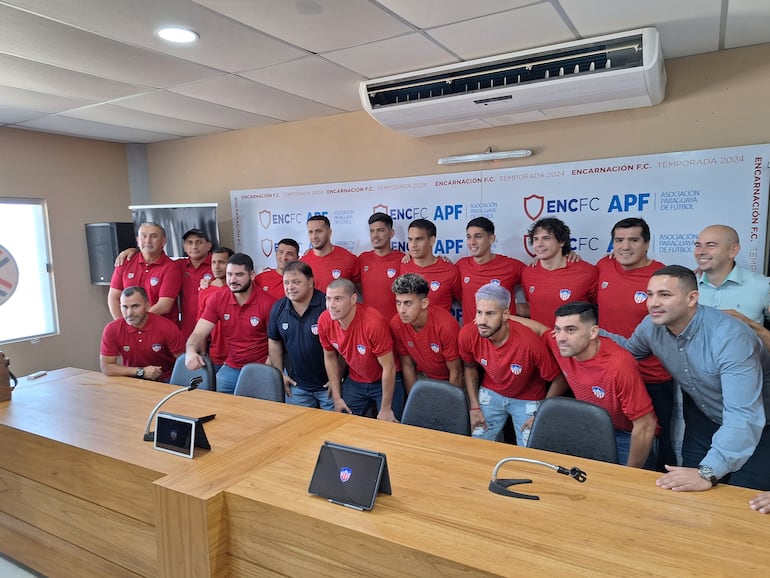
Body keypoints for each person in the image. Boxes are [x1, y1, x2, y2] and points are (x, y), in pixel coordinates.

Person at [605, 265, 770, 491]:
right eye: (650, 294)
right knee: (690, 496)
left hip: (759, 427)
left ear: (692, 298)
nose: (653, 303)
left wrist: (708, 472)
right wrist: (588, 333)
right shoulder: (650, 326)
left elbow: (743, 415)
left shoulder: (730, 338)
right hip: (704, 419)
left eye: (665, 295)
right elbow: (627, 351)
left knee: (743, 503)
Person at [595, 217, 675, 470]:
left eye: (633, 240)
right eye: (619, 240)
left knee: (656, 439)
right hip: (607, 371)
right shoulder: (603, 266)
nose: (625, 246)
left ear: (647, 243)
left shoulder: (663, 276)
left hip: (651, 375)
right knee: (606, 434)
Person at [543, 302, 658, 468]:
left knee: (622, 489)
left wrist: (630, 474)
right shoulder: (560, 343)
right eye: (558, 329)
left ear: (593, 332)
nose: (561, 338)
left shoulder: (619, 364)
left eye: (570, 330)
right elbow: (540, 331)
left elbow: (645, 425)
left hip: (627, 435)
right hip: (590, 428)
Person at [459, 283, 564, 445]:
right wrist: (474, 407)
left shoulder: (529, 342)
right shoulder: (468, 334)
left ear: (505, 314)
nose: (482, 320)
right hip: (491, 393)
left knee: (529, 452)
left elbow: (559, 378)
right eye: (479, 312)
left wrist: (540, 413)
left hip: (528, 398)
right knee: (476, 444)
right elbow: (469, 367)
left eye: (490, 314)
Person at [186, 253, 276, 394]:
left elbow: (276, 343)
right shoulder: (217, 299)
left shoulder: (268, 303)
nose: (233, 280)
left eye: (239, 275)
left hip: (261, 367)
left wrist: (265, 370)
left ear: (252, 275)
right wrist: (190, 351)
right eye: (229, 274)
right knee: (219, 408)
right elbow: (199, 333)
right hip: (231, 367)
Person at [317, 278, 403, 421]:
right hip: (356, 379)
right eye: (328, 299)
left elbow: (389, 367)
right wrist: (337, 397)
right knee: (340, 421)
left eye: (338, 299)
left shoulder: (373, 323)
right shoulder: (324, 320)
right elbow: (330, 357)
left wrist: (386, 408)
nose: (331, 305)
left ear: (353, 299)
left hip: (385, 379)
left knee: (391, 427)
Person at [267, 261, 331, 409]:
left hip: (328, 387)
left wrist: (336, 378)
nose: (290, 287)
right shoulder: (279, 307)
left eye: (296, 282)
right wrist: (280, 374)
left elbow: (340, 344)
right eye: (286, 282)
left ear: (310, 282)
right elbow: (274, 341)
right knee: (301, 430)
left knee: (333, 430)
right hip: (297, 387)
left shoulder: (327, 305)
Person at [694, 224, 770, 346]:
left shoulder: (763, 285)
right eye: (698, 246)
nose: (701, 252)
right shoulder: (687, 286)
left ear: (733, 251)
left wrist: (749, 324)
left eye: (711, 245)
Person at [390, 273, 462, 393]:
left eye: (408, 303)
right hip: (422, 378)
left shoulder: (445, 325)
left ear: (424, 303)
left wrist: (450, 407)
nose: (402, 310)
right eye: (398, 303)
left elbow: (456, 371)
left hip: (450, 380)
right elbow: (407, 365)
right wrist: (414, 400)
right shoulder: (396, 324)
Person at [520, 217, 597, 327]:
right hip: (539, 341)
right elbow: (532, 306)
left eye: (546, 238)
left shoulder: (587, 272)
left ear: (561, 241)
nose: (539, 244)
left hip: (574, 342)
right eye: (536, 239)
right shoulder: (528, 273)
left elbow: (600, 308)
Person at [100, 286, 185, 382]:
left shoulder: (167, 327)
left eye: (135, 306)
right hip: (131, 379)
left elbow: (183, 362)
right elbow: (106, 367)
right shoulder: (112, 329)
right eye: (125, 307)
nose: (129, 313)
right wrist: (141, 372)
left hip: (166, 380)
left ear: (147, 306)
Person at [456, 217, 527, 325]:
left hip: (504, 336)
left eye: (478, 236)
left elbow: (537, 280)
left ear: (491, 239)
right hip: (473, 336)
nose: (472, 242)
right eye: (469, 237)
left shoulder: (511, 266)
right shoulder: (461, 265)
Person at [108, 222, 182, 324]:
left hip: (161, 329)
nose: (148, 240)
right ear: (138, 240)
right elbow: (114, 297)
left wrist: (137, 322)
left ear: (163, 241)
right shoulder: (124, 262)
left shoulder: (171, 268)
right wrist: (124, 325)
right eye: (144, 236)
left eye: (154, 236)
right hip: (130, 327)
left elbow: (164, 305)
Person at [400, 218, 462, 312]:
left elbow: (464, 301)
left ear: (432, 240)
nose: (413, 245)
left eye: (419, 239)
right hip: (410, 326)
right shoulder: (402, 265)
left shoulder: (449, 270)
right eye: (410, 239)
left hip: (441, 326)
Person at [359, 212, 404, 320]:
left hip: (396, 326)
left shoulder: (403, 260)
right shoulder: (362, 259)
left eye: (380, 230)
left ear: (391, 233)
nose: (375, 235)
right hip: (369, 326)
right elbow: (356, 285)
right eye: (372, 231)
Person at [197, 246, 234, 370]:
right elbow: (200, 325)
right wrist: (203, 354)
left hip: (240, 355)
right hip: (216, 356)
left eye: (222, 262)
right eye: (213, 262)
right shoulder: (205, 290)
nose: (216, 267)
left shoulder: (241, 288)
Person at [301, 215, 360, 293]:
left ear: (329, 232)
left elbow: (361, 290)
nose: (314, 236)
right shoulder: (303, 263)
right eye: (310, 232)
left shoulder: (348, 259)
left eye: (319, 231)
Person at [177, 228, 213, 340]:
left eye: (199, 242)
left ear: (209, 245)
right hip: (188, 331)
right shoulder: (177, 266)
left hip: (214, 330)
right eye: (189, 242)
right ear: (184, 246)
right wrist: (131, 251)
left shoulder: (218, 264)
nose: (194, 246)